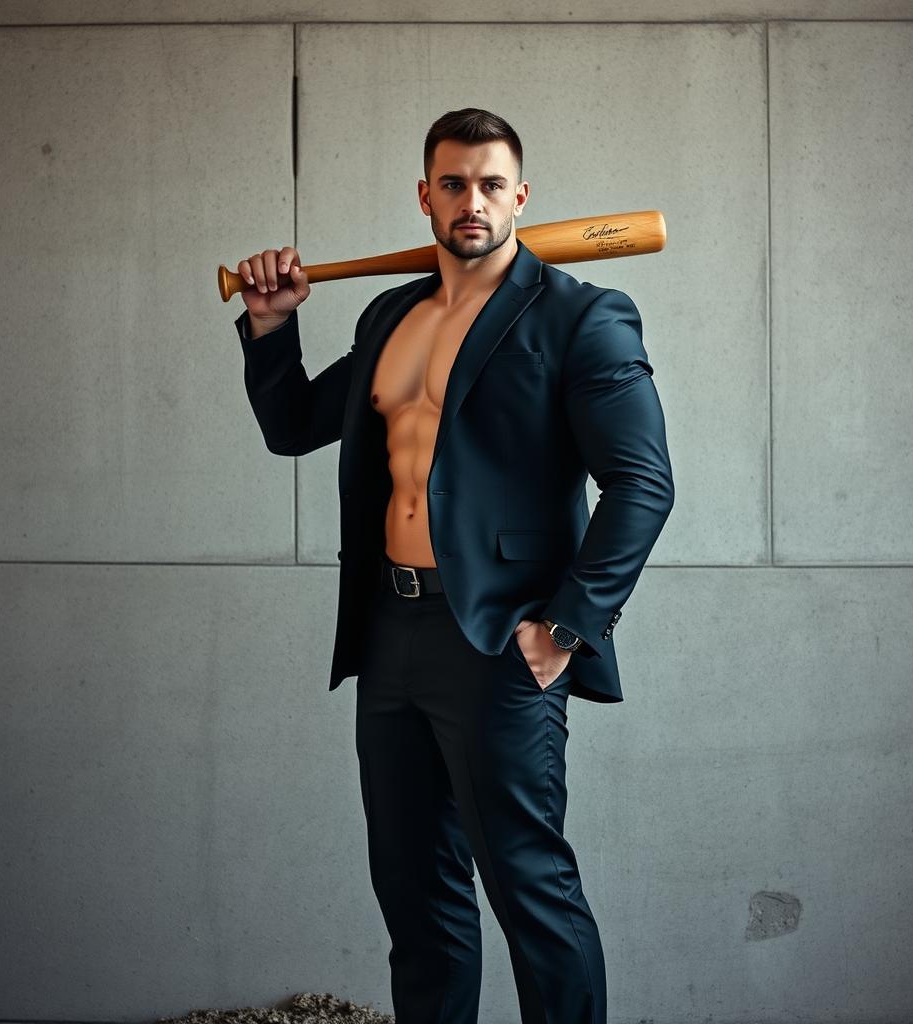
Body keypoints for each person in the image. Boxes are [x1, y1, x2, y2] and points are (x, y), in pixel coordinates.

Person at [234, 108, 674, 1024]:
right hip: (389, 632)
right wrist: (271, 327)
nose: (470, 201)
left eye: (488, 184)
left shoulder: (582, 316)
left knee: (531, 895)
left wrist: (564, 629)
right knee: (416, 898)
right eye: (451, 183)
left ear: (520, 196)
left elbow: (642, 485)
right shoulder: (390, 311)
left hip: (499, 642)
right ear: (425, 195)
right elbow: (294, 429)